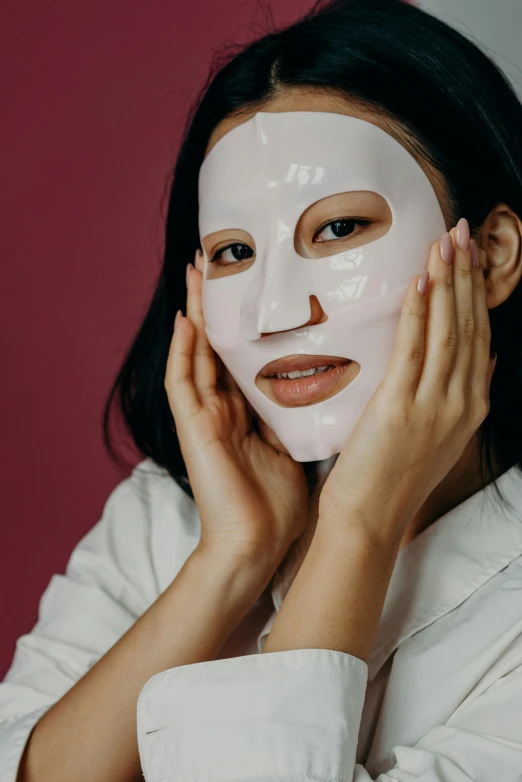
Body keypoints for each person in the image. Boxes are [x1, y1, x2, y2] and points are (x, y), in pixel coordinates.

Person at [2, 0, 522, 780]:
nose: (278, 312)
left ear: (491, 253)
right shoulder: (176, 508)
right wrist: (231, 558)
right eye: (234, 250)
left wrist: (359, 525)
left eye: (340, 229)